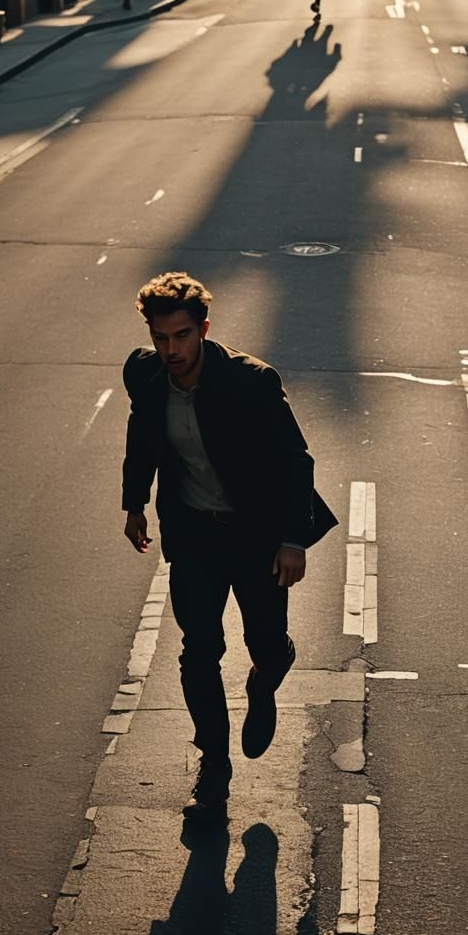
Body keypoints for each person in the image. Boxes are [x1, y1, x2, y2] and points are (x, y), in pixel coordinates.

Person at [122, 273, 337, 821]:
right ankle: (214, 772)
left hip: (256, 534)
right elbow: (142, 437)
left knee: (266, 643)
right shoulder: (144, 374)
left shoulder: (250, 382)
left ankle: (267, 677)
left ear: (203, 330)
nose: (171, 350)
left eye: (182, 336)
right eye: (161, 337)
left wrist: (293, 540)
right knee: (198, 652)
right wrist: (134, 504)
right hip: (195, 534)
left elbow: (295, 462)